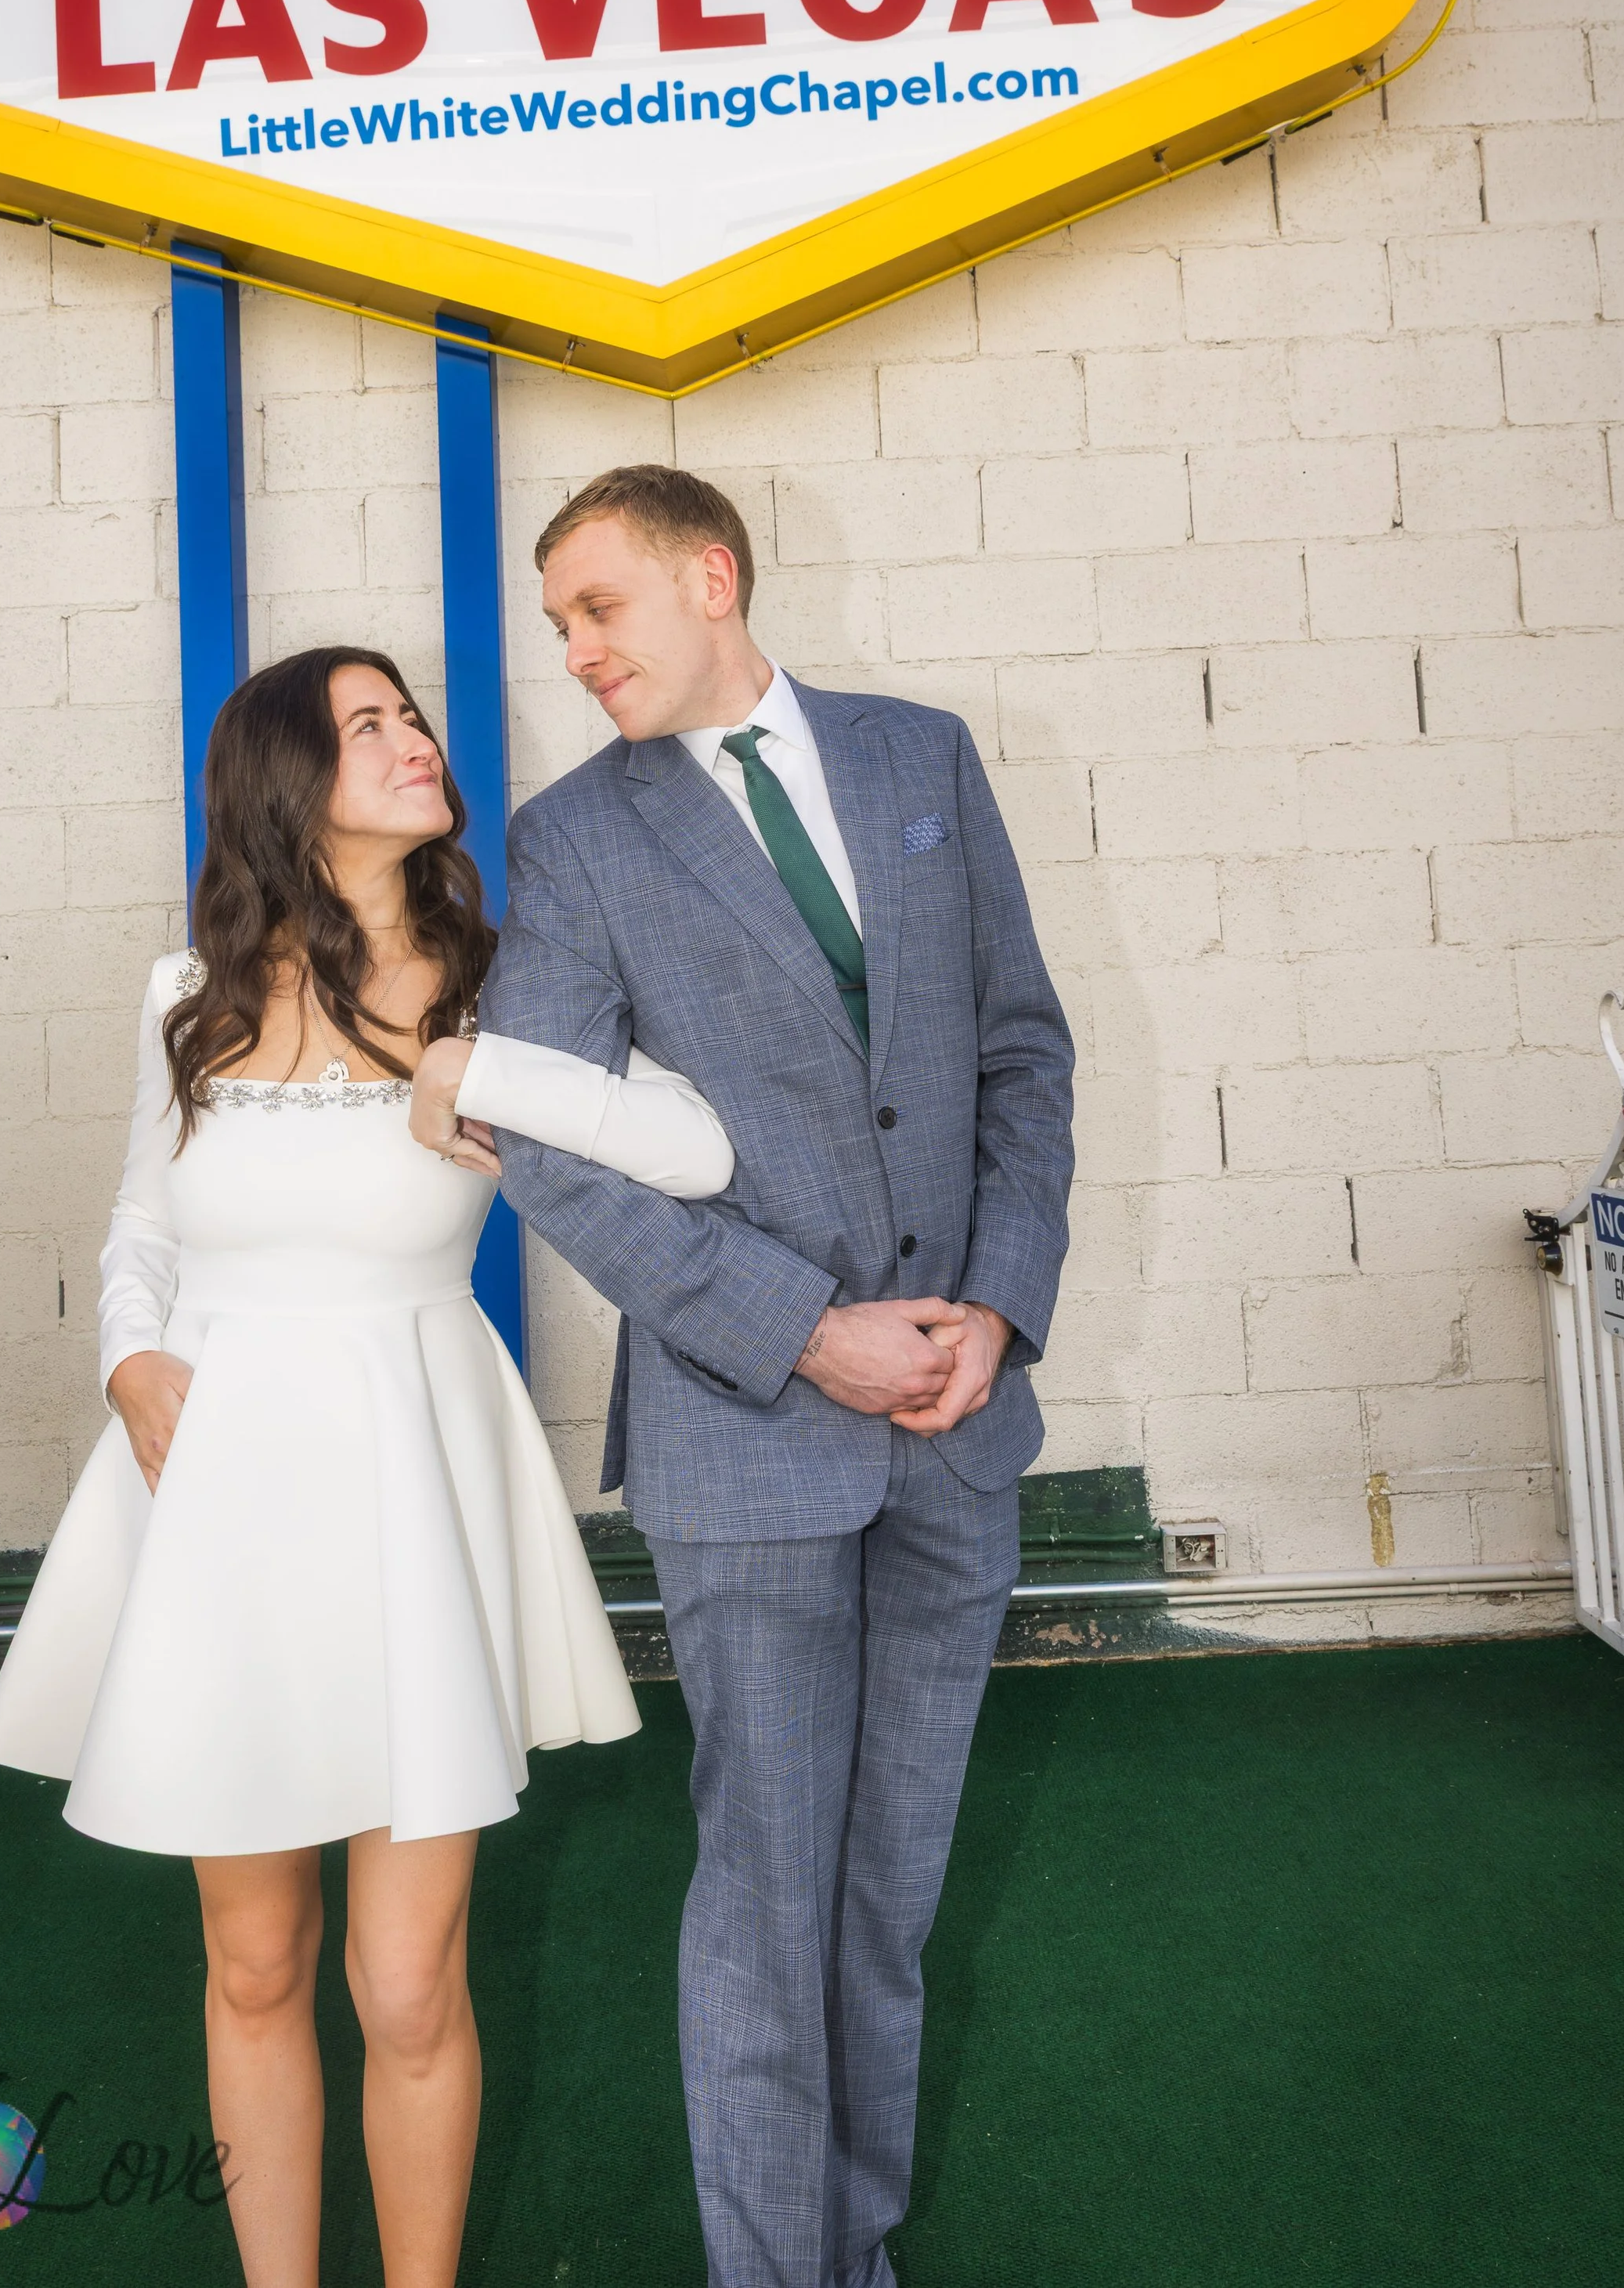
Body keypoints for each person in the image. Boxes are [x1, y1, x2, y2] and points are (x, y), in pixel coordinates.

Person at [0, 643, 735, 2288]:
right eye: (365, 725)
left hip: (412, 1474)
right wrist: (126, 1354)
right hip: (218, 1497)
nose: (412, 740)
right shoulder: (184, 995)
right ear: (282, 787)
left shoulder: (507, 978)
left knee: (405, 1987)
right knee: (254, 1969)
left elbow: (698, 1144)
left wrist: (484, 1070)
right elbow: (141, 1220)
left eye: (411, 716)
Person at [428, 465, 1074, 2288]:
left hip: (957, 1430)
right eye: (556, 623)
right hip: (749, 1440)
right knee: (769, 1906)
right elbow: (543, 1143)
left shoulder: (920, 760)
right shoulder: (571, 844)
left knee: (883, 1913)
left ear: (708, 577)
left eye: (596, 608)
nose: (572, 651)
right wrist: (806, 1331)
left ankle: (845, 2259)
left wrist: (995, 1314)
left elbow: (1022, 1057)